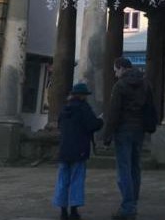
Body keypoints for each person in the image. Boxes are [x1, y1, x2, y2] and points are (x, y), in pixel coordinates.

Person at [102, 57, 154, 220]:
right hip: (139, 130)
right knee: (135, 167)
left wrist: (107, 135)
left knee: (124, 168)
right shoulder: (146, 84)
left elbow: (114, 112)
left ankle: (128, 207)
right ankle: (133, 202)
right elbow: (150, 107)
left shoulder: (120, 85)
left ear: (122, 68)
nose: (115, 74)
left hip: (123, 130)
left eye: (116, 70)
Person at [53, 82, 103, 220]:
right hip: (79, 149)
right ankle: (74, 210)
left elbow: (60, 125)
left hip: (64, 149)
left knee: (62, 180)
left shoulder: (64, 109)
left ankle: (63, 210)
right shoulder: (83, 108)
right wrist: (101, 120)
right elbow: (93, 125)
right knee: (77, 179)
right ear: (82, 96)